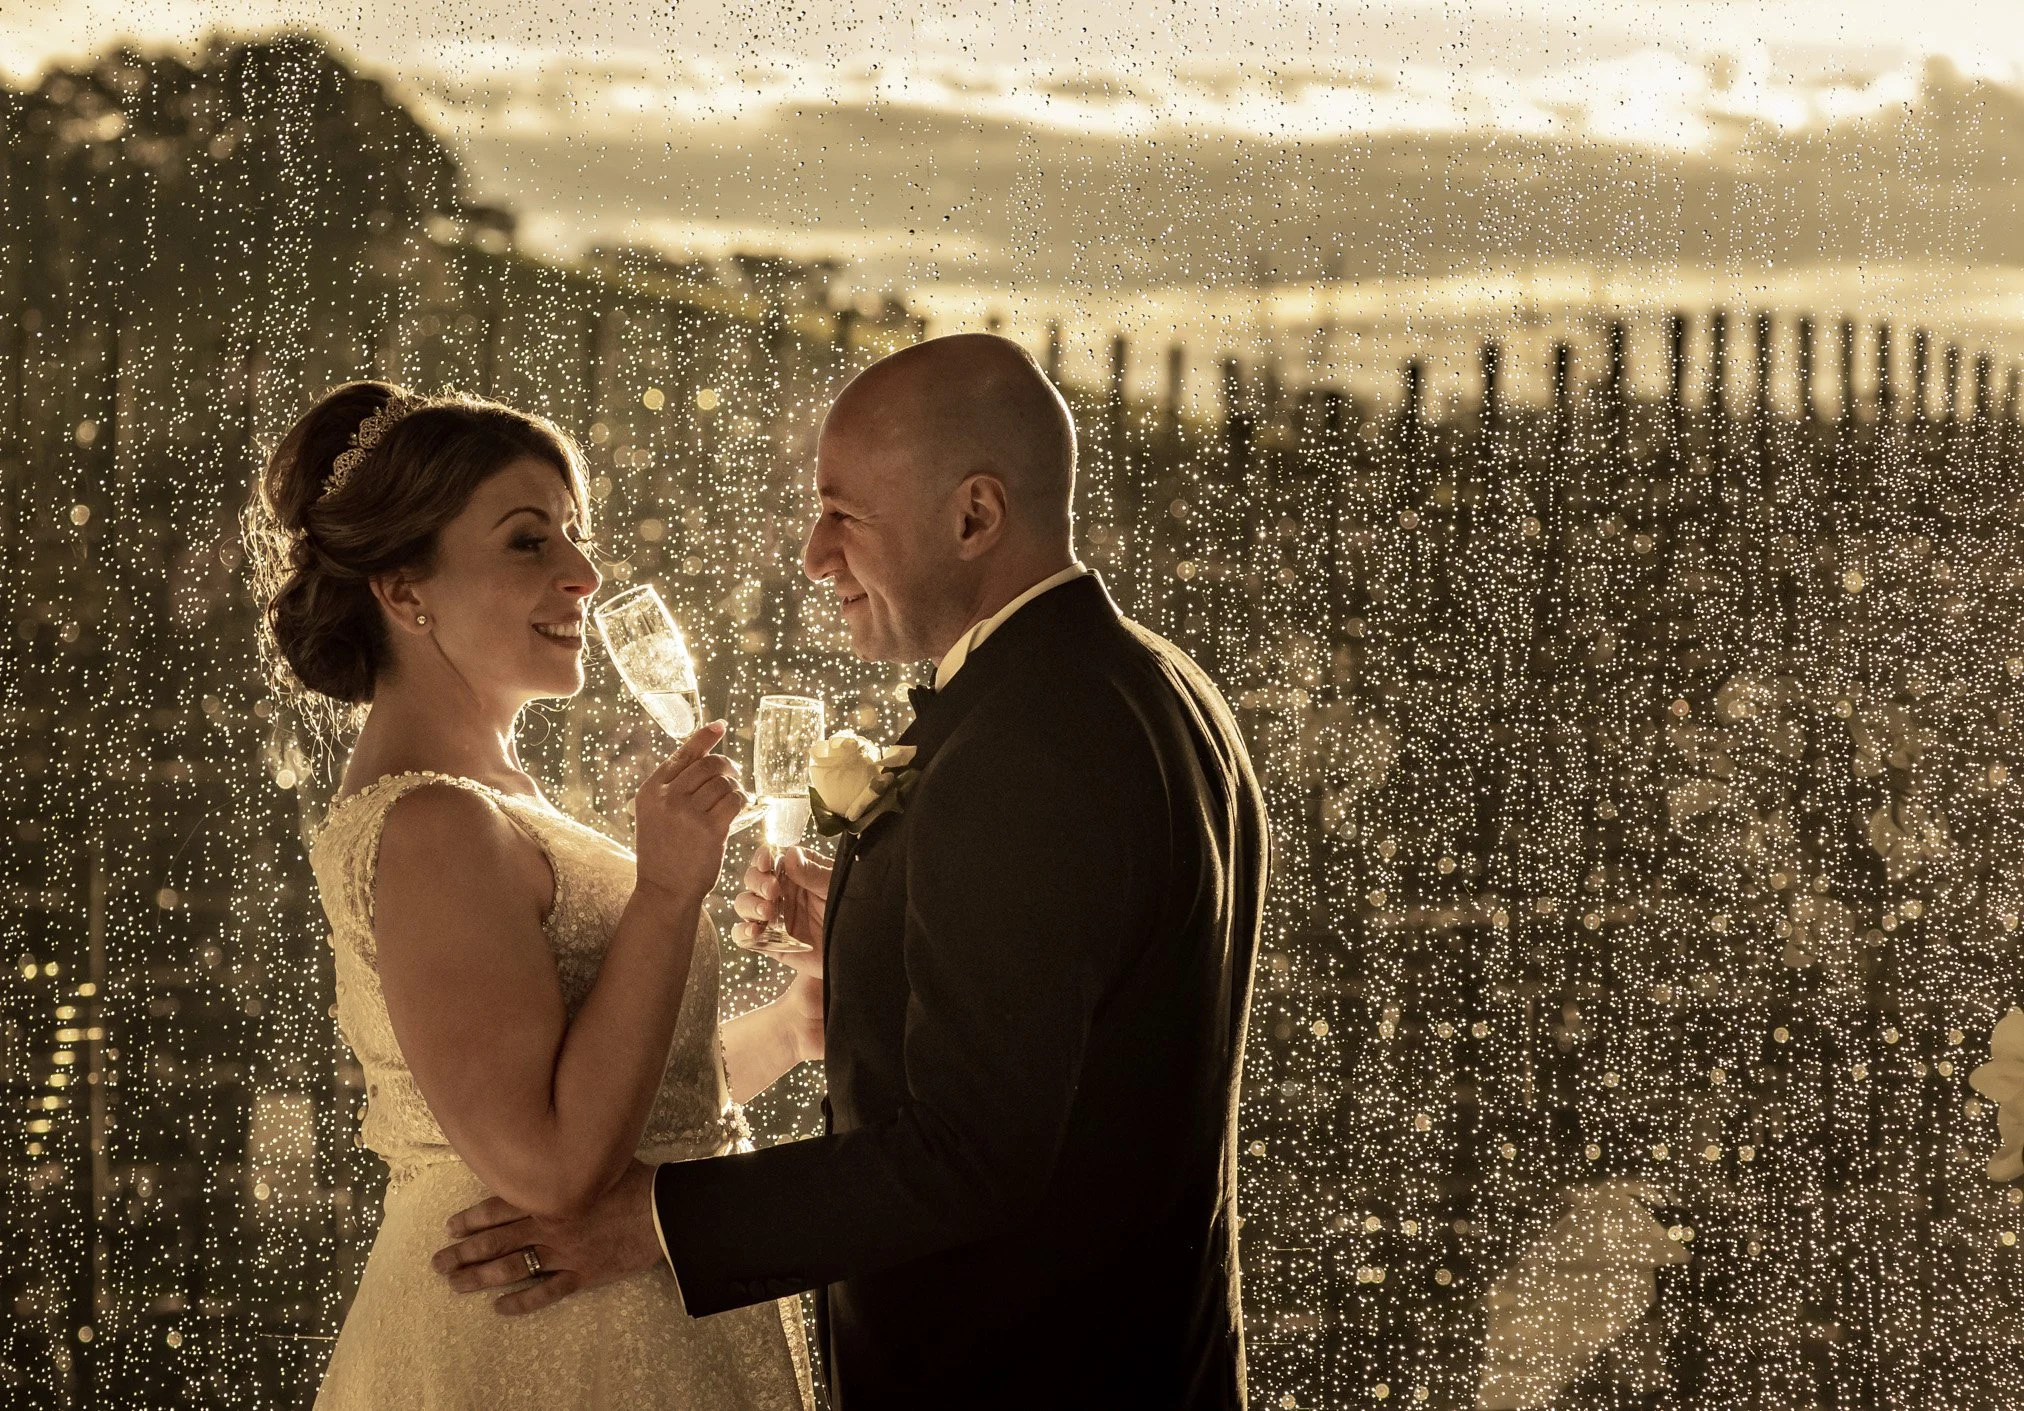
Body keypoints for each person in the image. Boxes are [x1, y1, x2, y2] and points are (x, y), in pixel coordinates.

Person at [434, 335, 1267, 1410]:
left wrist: (649, 1219)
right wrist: (875, 929)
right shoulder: (1151, 684)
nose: (816, 556)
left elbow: (970, 1152)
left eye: (844, 516)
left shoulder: (1023, 744)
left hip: (1024, 1374)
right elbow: (1093, 1010)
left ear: (973, 516)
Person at [252, 382, 815, 1409]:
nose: (585, 575)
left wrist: (790, 1025)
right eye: (528, 542)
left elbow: (639, 1103)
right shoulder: (434, 829)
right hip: (540, 1346)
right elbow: (553, 1168)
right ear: (402, 589)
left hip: (631, 1317)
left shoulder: (493, 804)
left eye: (575, 534)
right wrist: (666, 893)